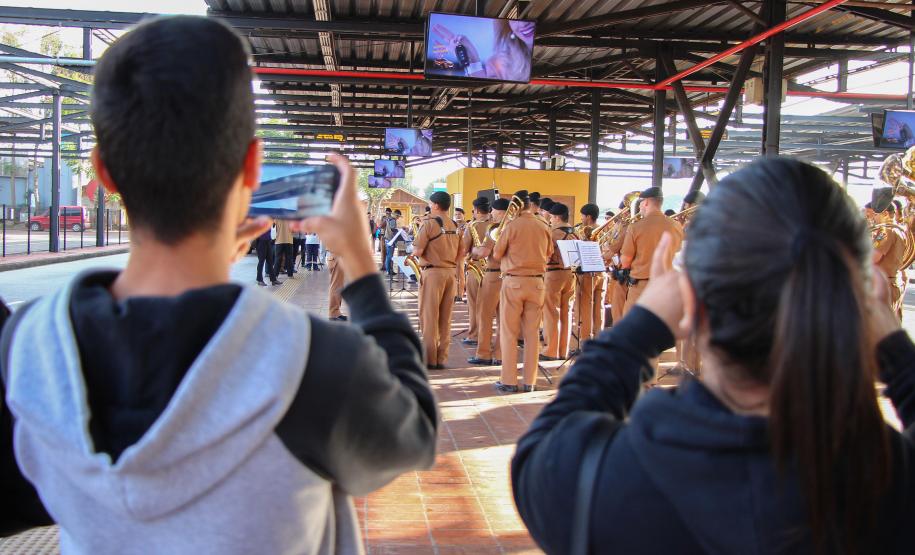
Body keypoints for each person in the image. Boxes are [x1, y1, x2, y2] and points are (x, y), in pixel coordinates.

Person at [0, 16, 437, 553]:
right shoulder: (313, 362)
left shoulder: (27, 348)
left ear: (104, 172)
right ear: (251, 166)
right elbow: (414, 434)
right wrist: (362, 268)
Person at [511, 158, 915, 555]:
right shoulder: (894, 479)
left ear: (692, 300)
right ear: (859, 306)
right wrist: (896, 351)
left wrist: (639, 329)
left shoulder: (592, 478)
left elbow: (543, 443)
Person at [492, 190, 552, 393]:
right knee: (532, 334)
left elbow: (497, 253)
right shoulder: (544, 225)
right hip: (537, 284)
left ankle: (509, 380)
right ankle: (530, 381)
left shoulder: (512, 225)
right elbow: (550, 252)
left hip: (514, 282)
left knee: (509, 332)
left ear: (516, 206)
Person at [413, 191, 461, 370]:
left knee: (429, 316)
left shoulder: (429, 223)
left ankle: (429, 359)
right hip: (450, 273)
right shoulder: (455, 224)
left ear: (435, 205)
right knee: (445, 318)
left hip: (432, 274)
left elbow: (417, 251)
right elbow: (461, 252)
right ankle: (442, 358)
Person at [620, 187, 683, 315]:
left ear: (647, 202)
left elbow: (625, 261)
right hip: (668, 287)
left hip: (641, 287)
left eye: (641, 203)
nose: (640, 207)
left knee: (635, 329)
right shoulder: (676, 225)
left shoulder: (635, 227)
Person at [468, 197, 507, 366]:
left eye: (494, 211)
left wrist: (474, 250)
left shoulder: (496, 228)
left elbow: (484, 252)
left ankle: (483, 353)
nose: (491, 213)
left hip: (492, 275)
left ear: (500, 212)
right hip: (509, 277)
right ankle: (499, 354)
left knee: (485, 315)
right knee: (503, 318)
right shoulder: (515, 227)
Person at [541, 203, 577, 361]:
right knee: (566, 312)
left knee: (551, 311)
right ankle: (564, 350)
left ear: (556, 217)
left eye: (551, 218)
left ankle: (551, 350)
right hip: (571, 274)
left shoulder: (552, 232)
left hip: (554, 274)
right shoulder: (576, 232)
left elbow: (546, 254)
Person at [459, 198, 492, 348]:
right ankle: (487, 335)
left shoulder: (472, 226)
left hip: (476, 268)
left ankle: (474, 335)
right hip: (494, 270)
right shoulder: (497, 225)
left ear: (477, 210)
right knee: (490, 306)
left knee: (474, 304)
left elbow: (464, 249)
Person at [574, 203, 605, 350]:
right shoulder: (605, 229)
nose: (581, 218)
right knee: (599, 307)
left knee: (585, 306)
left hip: (588, 273)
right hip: (602, 272)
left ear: (588, 217)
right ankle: (599, 338)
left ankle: (585, 341)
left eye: (582, 215)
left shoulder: (587, 231)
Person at [873, 204, 907, 319]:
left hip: (885, 286)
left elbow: (873, 257)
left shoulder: (886, 231)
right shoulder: (900, 229)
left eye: (876, 214)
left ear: (885, 214)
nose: (873, 218)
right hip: (893, 283)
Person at [326, 247, 346, 321]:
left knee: (338, 284)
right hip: (337, 255)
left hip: (337, 255)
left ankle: (336, 312)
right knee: (336, 285)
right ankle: (333, 313)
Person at [454, 207, 467, 303]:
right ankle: (454, 293)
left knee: (460, 273)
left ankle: (459, 294)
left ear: (463, 215)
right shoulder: (452, 225)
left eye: (459, 214)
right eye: (456, 214)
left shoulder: (466, 226)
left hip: (461, 251)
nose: (457, 216)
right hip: (452, 251)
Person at [382, 208, 399, 275]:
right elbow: (393, 229)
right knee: (389, 256)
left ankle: (389, 270)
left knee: (389, 255)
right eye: (398, 216)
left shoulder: (389, 219)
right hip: (390, 239)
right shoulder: (392, 220)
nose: (398, 218)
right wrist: (399, 231)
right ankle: (389, 270)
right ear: (396, 215)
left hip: (388, 239)